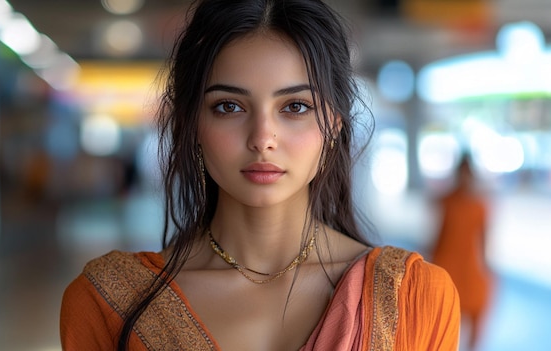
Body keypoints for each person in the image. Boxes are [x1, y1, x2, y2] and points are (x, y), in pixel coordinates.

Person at [60, 1, 460, 350]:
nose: (262, 139)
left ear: (335, 125)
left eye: (296, 107)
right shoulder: (109, 303)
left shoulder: (413, 297)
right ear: (192, 123)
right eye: (229, 107)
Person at [431, 154, 493, 351]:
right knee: (442, 321)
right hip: (446, 264)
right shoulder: (447, 201)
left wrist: (486, 267)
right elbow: (438, 234)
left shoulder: (480, 205)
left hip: (469, 268)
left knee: (476, 311)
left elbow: (484, 241)